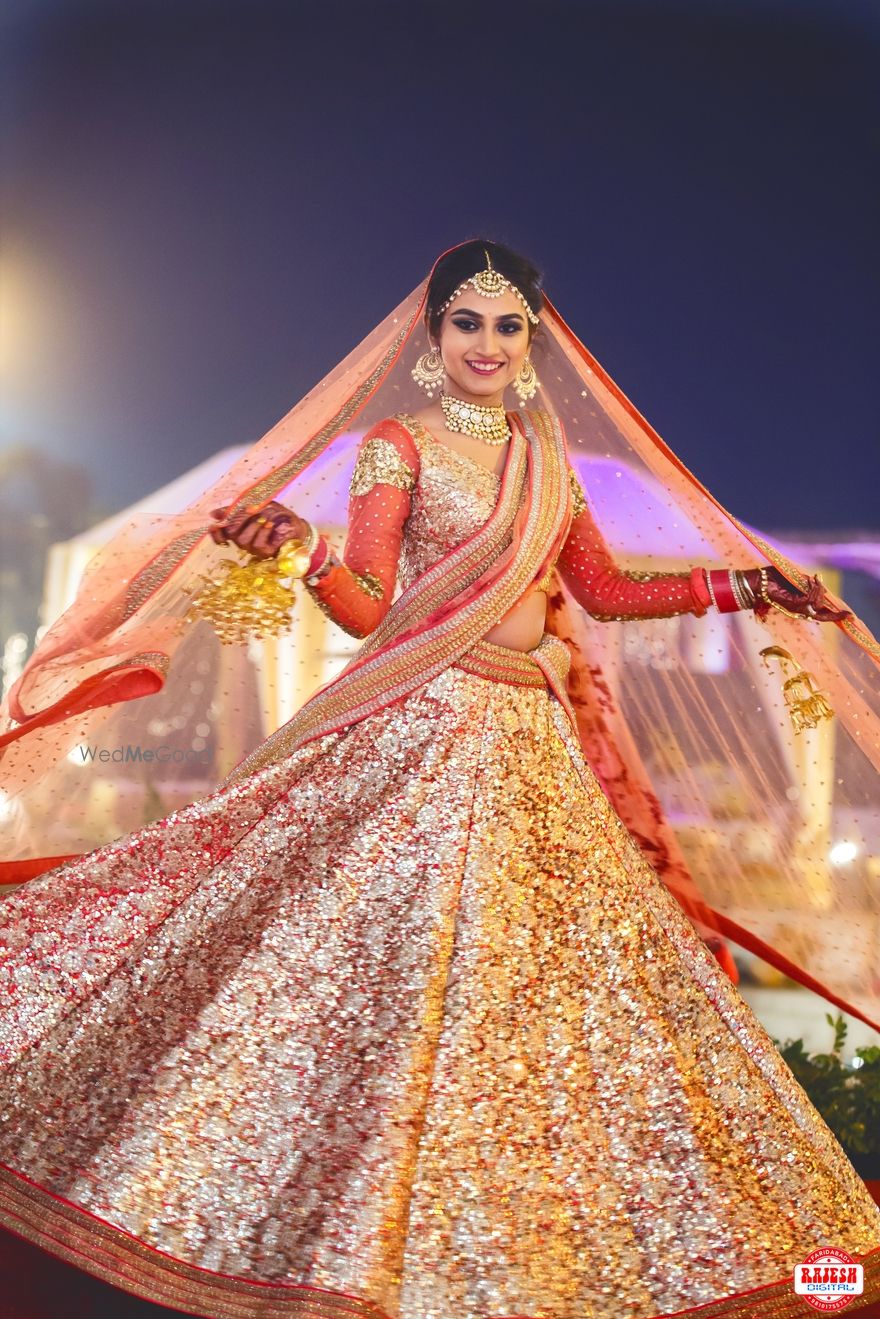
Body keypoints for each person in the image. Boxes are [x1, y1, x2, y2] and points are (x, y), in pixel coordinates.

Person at [1, 238, 879, 1318]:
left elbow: (599, 590)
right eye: (467, 321)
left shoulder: (545, 460)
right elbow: (374, 604)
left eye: (508, 325)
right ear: (433, 337)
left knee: (552, 997)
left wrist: (748, 581)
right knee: (379, 977)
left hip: (528, 735)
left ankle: (519, 1250)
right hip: (421, 726)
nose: (487, 343)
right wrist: (304, 550)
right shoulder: (396, 446)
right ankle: (347, 1235)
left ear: (534, 342)